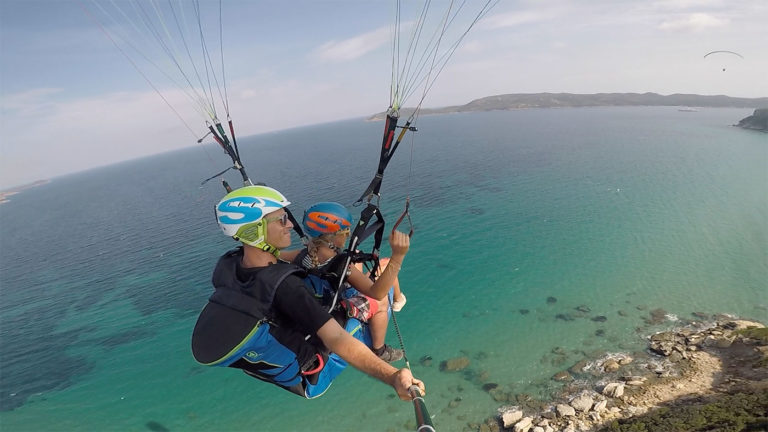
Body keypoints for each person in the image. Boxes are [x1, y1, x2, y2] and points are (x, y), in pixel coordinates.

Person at [191, 185, 424, 400]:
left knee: (360, 271)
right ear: (256, 231)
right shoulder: (287, 287)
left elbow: (276, 262)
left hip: (287, 337)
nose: (290, 225)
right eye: (282, 220)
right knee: (381, 299)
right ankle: (379, 348)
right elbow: (337, 339)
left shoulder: (228, 265)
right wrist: (392, 377)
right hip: (315, 374)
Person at [280, 202, 406, 362]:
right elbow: (377, 292)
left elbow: (275, 255)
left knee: (358, 256)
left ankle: (398, 300)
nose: (348, 236)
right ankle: (379, 350)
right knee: (380, 300)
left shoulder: (301, 255)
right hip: (337, 309)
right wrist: (398, 256)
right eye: (345, 232)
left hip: (322, 297)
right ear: (332, 237)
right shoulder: (340, 264)